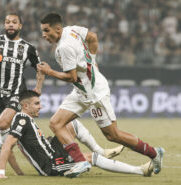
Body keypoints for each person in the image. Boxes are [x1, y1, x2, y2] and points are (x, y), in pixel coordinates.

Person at [36, 13, 164, 177]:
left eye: (47, 31)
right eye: (43, 31)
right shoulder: (73, 30)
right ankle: (81, 161)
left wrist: (49, 72)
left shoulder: (64, 47)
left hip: (95, 94)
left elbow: (71, 77)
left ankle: (154, 153)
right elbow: (93, 37)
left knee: (113, 135)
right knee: (56, 123)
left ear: (58, 28)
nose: (44, 35)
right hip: (82, 90)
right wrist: (93, 60)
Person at [0, 90, 153, 178]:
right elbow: (7, 145)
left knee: (70, 124)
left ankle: (100, 150)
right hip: (51, 164)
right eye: (36, 104)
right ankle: (139, 171)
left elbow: (9, 148)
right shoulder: (22, 119)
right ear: (25, 106)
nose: (40, 107)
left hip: (52, 151)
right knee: (92, 158)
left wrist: (19, 173)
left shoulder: (24, 118)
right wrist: (1, 173)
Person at [0, 12, 45, 174]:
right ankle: (22, 171)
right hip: (0, 94)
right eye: (7, 22)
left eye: (14, 22)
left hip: (17, 92)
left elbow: (40, 69)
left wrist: (38, 87)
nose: (10, 25)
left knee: (2, 122)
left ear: (20, 26)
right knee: (14, 133)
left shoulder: (28, 48)